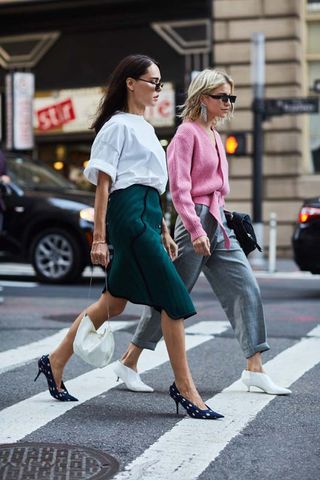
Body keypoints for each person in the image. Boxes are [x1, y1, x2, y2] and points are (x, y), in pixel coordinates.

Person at [34, 55, 223, 420]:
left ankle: (54, 361)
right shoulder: (116, 127)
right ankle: (185, 389)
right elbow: (104, 186)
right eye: (152, 81)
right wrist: (99, 238)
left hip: (148, 216)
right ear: (130, 83)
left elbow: (154, 187)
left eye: (160, 82)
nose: (158, 88)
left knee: (114, 302)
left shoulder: (147, 129)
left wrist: (165, 229)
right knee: (173, 299)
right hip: (128, 216)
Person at [116, 68, 291, 396]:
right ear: (202, 98)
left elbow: (215, 189)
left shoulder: (213, 134)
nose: (228, 103)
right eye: (221, 97)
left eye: (231, 97)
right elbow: (180, 190)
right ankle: (129, 360)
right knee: (172, 295)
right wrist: (196, 230)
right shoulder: (186, 134)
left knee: (246, 287)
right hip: (193, 220)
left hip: (217, 220)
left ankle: (255, 368)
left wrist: (217, 221)